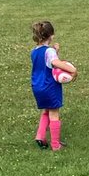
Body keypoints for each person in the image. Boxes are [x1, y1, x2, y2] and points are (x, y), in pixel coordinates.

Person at [31, 20, 76, 152]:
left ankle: (40, 136)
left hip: (37, 86)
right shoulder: (49, 52)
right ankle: (56, 145)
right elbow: (55, 62)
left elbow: (46, 62)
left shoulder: (34, 51)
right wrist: (71, 70)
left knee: (46, 111)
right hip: (49, 86)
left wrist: (54, 51)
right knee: (54, 113)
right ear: (51, 35)